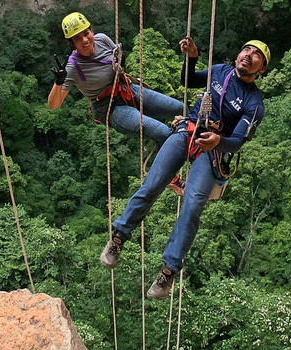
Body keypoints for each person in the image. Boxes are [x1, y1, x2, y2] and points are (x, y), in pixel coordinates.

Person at [99, 34, 269, 299]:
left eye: (255, 54)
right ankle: (118, 238)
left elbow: (237, 141)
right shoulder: (220, 71)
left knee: (192, 206)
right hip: (187, 132)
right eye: (245, 49)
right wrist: (191, 58)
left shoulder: (254, 104)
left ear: (261, 69)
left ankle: (168, 272)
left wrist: (218, 141)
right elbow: (187, 81)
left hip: (212, 150)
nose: (248, 54)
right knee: (153, 183)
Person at [48, 12, 184, 147]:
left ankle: (196, 144)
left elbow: (117, 59)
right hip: (110, 108)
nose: (85, 40)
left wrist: (121, 60)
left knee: (181, 108)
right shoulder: (73, 66)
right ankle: (170, 163)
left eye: (86, 33)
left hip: (127, 90)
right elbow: (54, 105)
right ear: (71, 43)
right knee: (162, 132)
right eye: (77, 38)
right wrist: (58, 82)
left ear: (91, 30)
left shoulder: (101, 39)